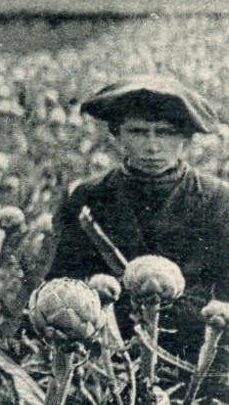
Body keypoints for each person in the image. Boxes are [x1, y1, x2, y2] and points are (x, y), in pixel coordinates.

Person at [45, 75, 228, 383]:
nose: (152, 146)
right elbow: (59, 280)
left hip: (197, 360)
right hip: (103, 359)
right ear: (117, 135)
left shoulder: (219, 200)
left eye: (166, 133)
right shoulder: (87, 197)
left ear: (186, 139)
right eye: (138, 132)